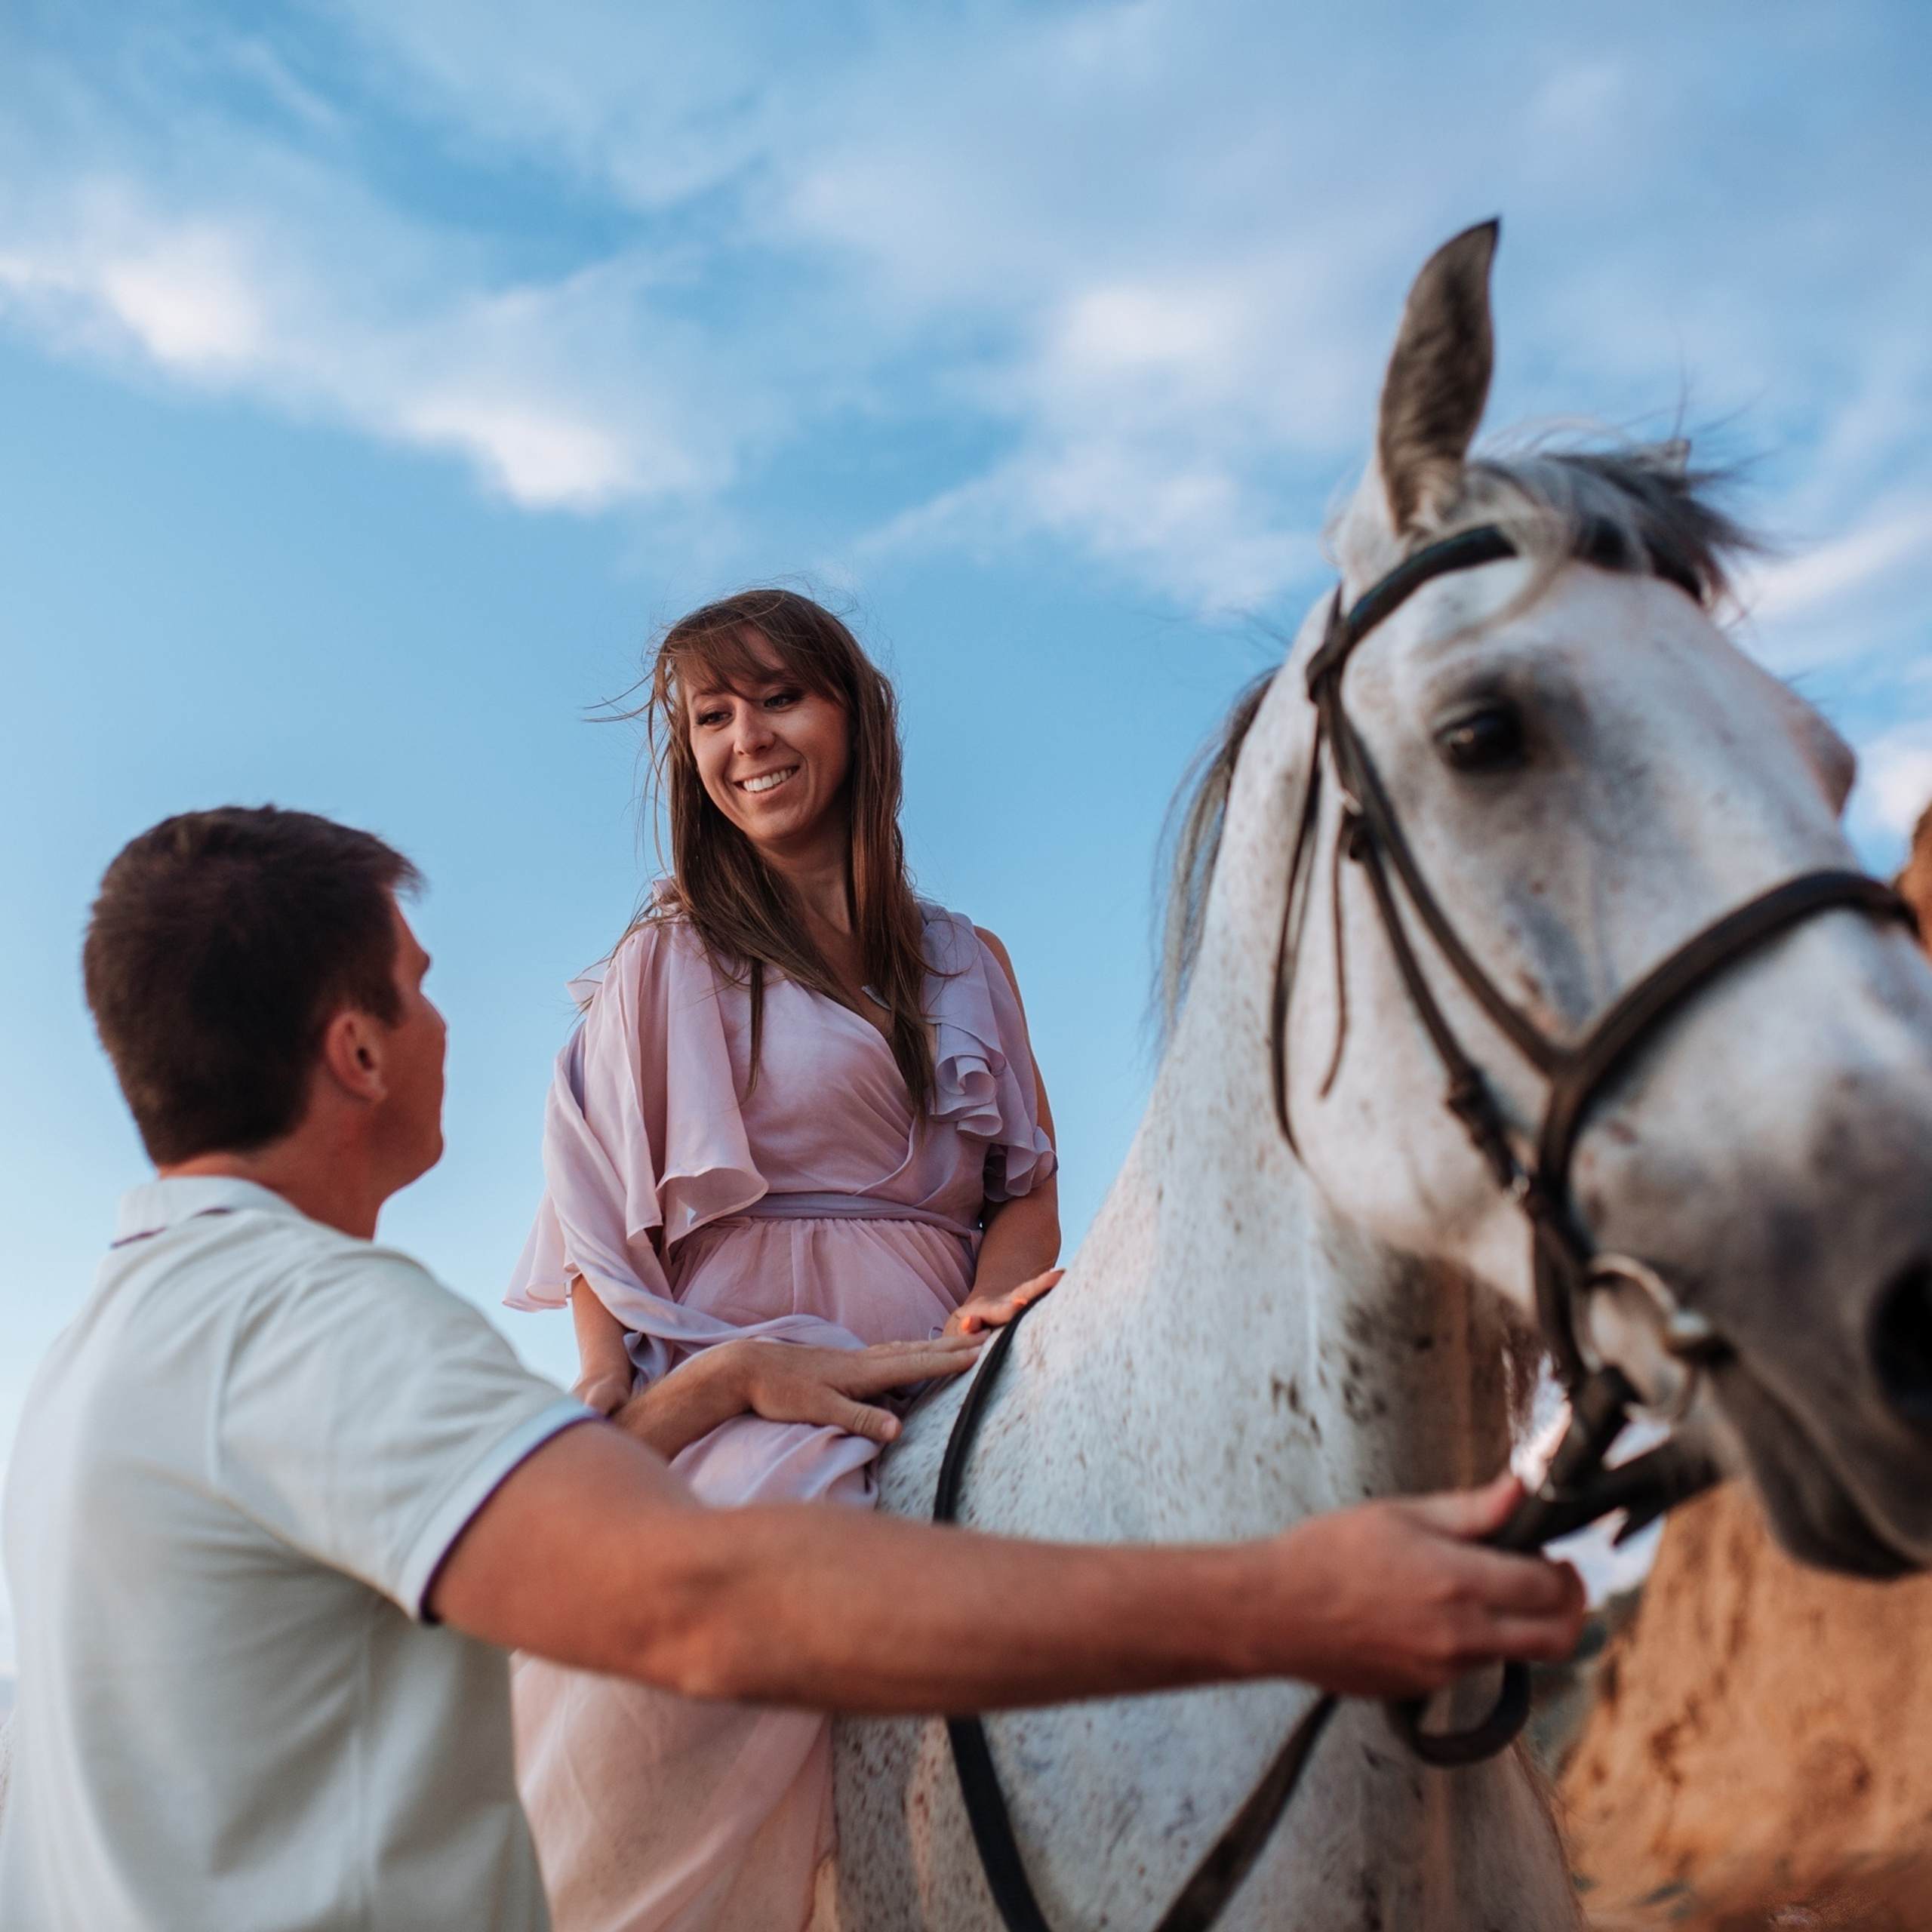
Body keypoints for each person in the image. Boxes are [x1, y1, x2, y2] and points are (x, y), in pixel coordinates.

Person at [0, 805, 1585, 1932]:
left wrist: (706, 1381)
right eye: (414, 987)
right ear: (353, 1051)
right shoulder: (317, 1325)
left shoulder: (110, 1355)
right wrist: (1300, 1602)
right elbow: (709, 1605)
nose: (439, 1024)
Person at [502, 591, 1066, 1929]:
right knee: (738, 1609)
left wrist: (996, 1306)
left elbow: (1025, 1187)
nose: (745, 739)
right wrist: (606, 1381)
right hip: (750, 1370)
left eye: (777, 699)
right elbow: (596, 1213)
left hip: (948, 1358)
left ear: (854, 717)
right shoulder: (669, 958)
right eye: (712, 716)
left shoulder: (968, 960)